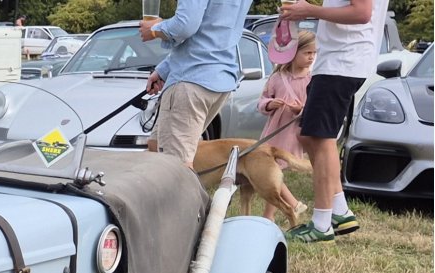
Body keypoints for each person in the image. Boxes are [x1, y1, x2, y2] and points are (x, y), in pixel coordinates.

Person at [281, 0, 388, 241]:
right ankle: (339, 210)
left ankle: (321, 224)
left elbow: (361, 13)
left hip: (342, 63)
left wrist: (309, 10)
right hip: (338, 62)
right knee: (307, 135)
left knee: (322, 139)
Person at [140, 0, 256, 168]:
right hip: (218, 77)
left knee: (177, 166)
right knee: (155, 146)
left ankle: (190, 194)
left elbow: (186, 25)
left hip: (191, 80)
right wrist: (165, 70)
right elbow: (212, 31)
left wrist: (154, 29)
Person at [257, 29, 315, 220]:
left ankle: (287, 206)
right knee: (271, 170)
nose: (311, 57)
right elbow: (262, 101)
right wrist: (270, 104)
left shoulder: (312, 79)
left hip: (292, 133)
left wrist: (301, 110)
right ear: (293, 53)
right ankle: (278, 211)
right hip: (274, 132)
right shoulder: (277, 78)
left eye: (314, 53)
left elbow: (313, 106)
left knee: (271, 170)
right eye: (307, 53)